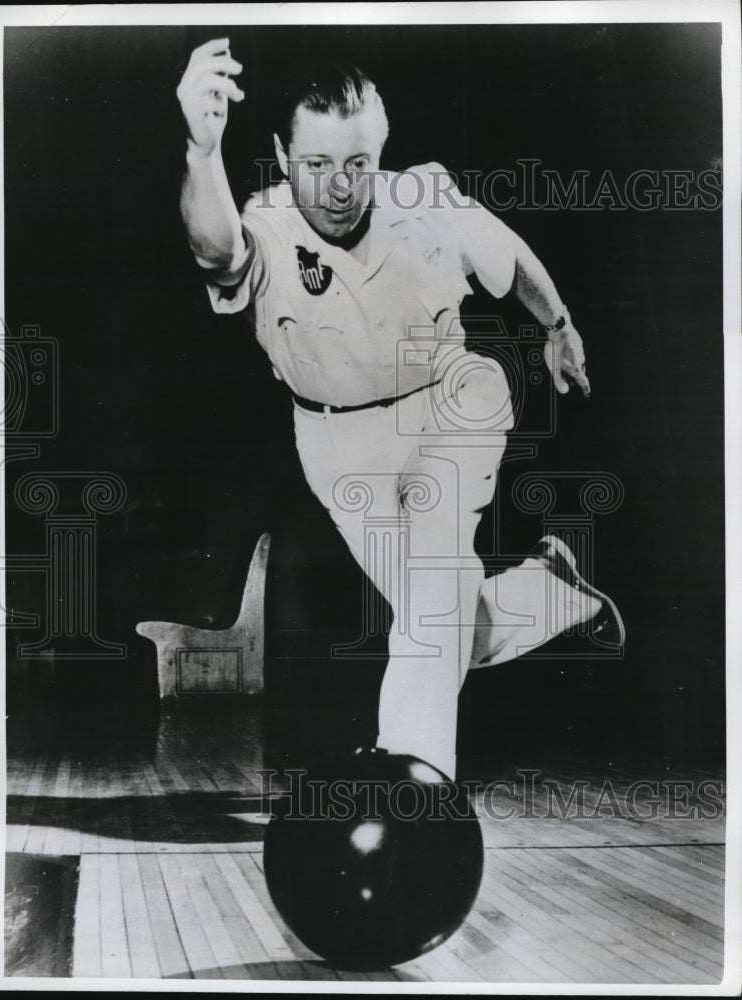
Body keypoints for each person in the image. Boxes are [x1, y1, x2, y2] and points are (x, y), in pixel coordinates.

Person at [176, 38, 625, 779]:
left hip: (450, 406)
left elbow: (509, 261)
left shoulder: (424, 199)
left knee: (428, 609)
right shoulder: (262, 223)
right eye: (316, 164)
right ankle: (549, 593)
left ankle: (410, 788)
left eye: (357, 164)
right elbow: (216, 252)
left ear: (378, 153)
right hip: (334, 444)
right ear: (282, 156)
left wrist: (558, 325)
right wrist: (200, 150)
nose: (339, 187)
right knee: (448, 627)